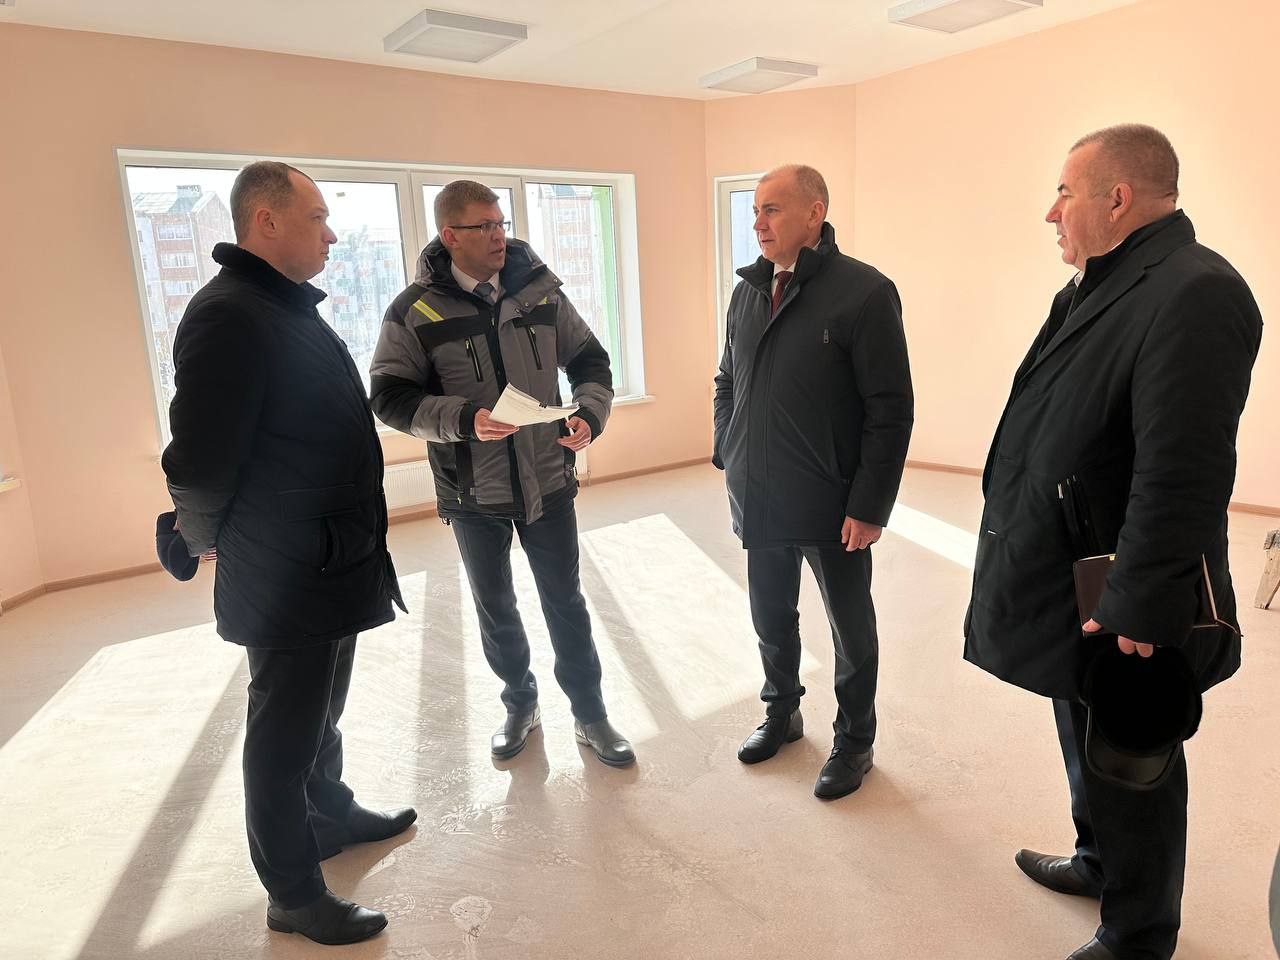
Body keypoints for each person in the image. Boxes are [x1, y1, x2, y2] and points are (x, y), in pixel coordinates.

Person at [964, 124, 1263, 960]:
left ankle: (1139, 932)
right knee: (1081, 722)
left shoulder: (1195, 290)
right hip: (1076, 566)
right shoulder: (1102, 284)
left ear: (1118, 198)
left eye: (1065, 192)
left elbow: (1185, 469)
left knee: (1133, 751)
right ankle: (1100, 861)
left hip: (1122, 583)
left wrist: (1140, 597)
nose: (1051, 211)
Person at [162, 161, 416, 946]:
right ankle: (293, 892)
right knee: (284, 730)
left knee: (321, 713)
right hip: (284, 569)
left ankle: (328, 815)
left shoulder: (281, 307)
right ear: (266, 222)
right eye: (316, 218)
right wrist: (199, 537)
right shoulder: (229, 316)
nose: (331, 235)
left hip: (328, 556)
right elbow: (200, 460)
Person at [369, 180, 634, 767]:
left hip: (549, 480)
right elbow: (390, 398)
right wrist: (465, 419)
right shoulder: (414, 311)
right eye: (484, 226)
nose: (498, 236)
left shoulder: (540, 293)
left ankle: (590, 713)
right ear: (450, 236)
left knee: (565, 601)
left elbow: (591, 361)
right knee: (496, 606)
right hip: (472, 492)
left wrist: (590, 414)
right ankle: (520, 703)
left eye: (501, 223)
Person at [712, 164, 914, 800]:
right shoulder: (747, 292)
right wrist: (729, 449)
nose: (758, 223)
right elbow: (726, 380)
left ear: (814, 213)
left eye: (772, 209)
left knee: (850, 632)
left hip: (833, 502)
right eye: (755, 211)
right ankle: (782, 713)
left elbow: (890, 409)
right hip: (759, 494)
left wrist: (870, 504)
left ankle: (855, 742)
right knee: (771, 617)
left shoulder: (865, 292)